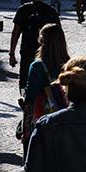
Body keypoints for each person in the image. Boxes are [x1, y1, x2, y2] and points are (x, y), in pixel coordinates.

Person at [22, 23, 70, 153]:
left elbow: (30, 95)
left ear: (42, 41)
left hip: (42, 116)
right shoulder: (69, 63)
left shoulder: (38, 66)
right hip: (65, 116)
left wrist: (23, 99)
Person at [9, 0, 60, 92]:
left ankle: (25, 101)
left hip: (27, 51)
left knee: (25, 83)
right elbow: (58, 36)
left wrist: (12, 53)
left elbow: (15, 33)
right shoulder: (51, 12)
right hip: (46, 54)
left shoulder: (23, 10)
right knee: (46, 85)